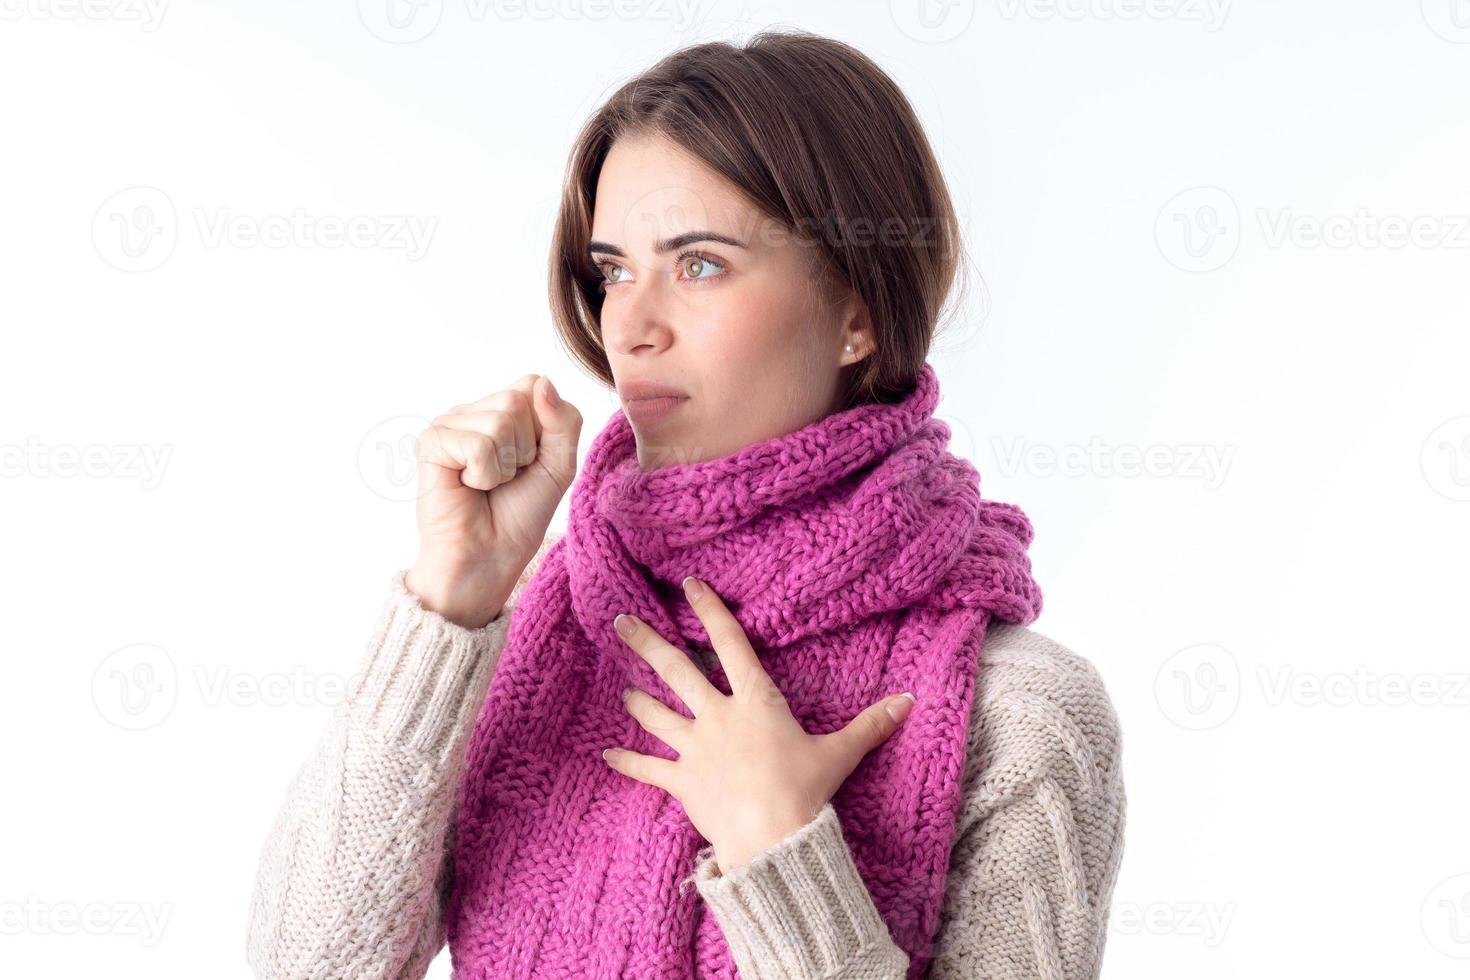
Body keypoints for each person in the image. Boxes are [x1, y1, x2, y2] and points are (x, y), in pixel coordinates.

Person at [247, 29, 1125, 979]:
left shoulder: (1021, 715)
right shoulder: (546, 632)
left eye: (699, 263)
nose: (629, 324)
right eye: (614, 270)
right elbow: (308, 965)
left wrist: (783, 855)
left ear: (859, 314)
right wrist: (449, 599)